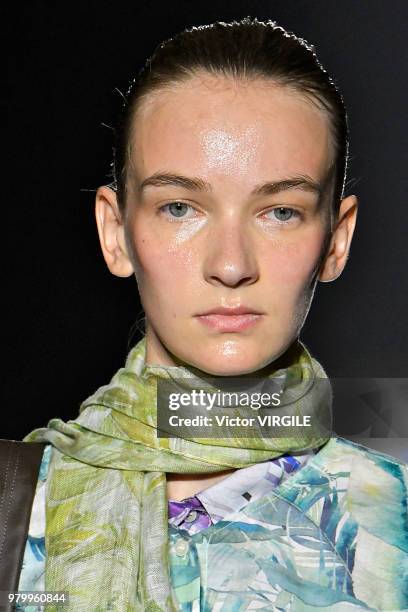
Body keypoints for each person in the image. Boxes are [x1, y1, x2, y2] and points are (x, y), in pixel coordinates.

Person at [15, 17, 407, 611]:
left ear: (337, 238)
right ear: (115, 232)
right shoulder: (13, 507)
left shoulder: (393, 517)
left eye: (280, 211)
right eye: (179, 207)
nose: (230, 266)